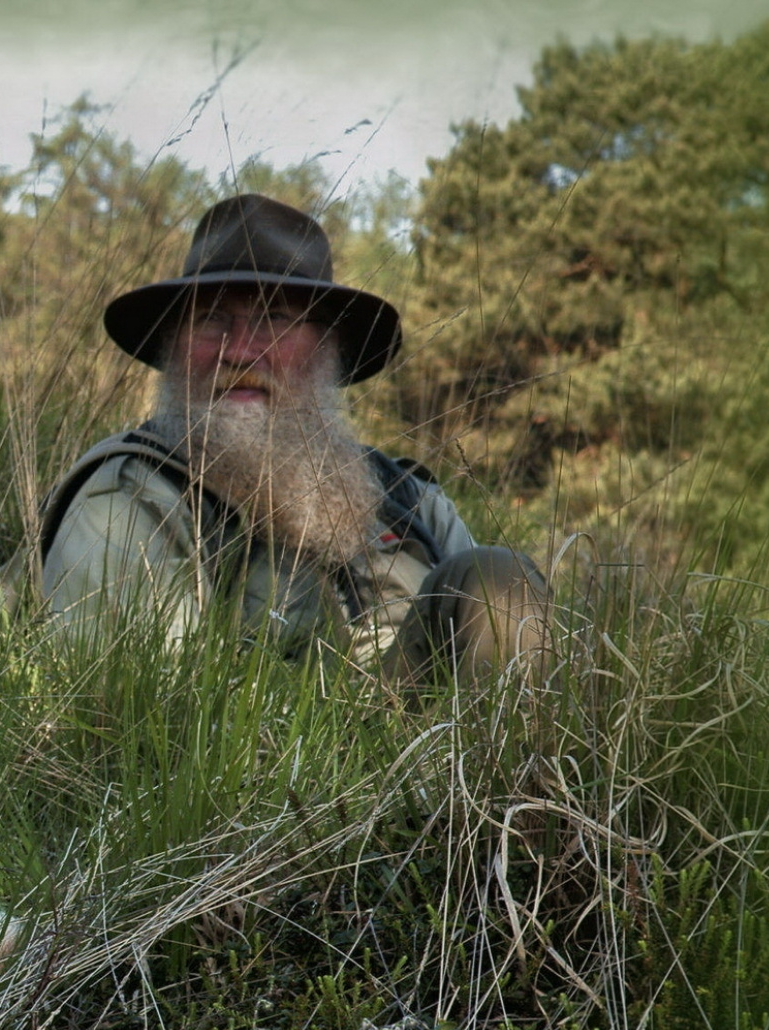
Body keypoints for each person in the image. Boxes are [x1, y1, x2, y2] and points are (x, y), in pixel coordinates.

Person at [39, 194, 549, 681]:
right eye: (211, 318)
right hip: (247, 763)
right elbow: (151, 719)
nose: (238, 351)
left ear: (327, 349)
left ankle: (523, 777)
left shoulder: (409, 501)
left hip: (437, 764)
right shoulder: (128, 498)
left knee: (498, 577)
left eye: (275, 319)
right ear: (174, 345)